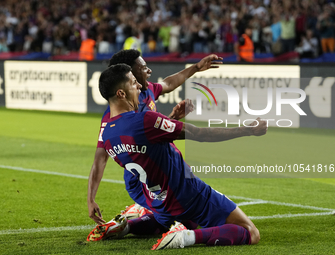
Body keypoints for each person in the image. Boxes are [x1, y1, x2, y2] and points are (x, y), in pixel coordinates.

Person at [87, 64, 267, 250]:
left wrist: (171, 117)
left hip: (158, 201)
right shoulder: (145, 120)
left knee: (185, 220)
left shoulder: (107, 134)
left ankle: (127, 226)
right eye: (133, 83)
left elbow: (149, 142)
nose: (139, 86)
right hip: (188, 194)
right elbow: (199, 134)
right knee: (250, 232)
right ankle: (185, 238)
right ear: (121, 94)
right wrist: (249, 130)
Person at [87, 49, 223, 225]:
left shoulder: (148, 90)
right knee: (186, 222)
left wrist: (196, 67)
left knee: (187, 220)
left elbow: (168, 84)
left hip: (164, 166)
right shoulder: (113, 118)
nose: (149, 71)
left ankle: (135, 219)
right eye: (143, 67)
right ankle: (143, 210)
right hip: (143, 180)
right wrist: (91, 199)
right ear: (130, 74)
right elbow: (100, 160)